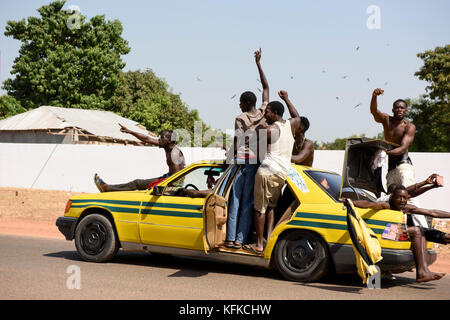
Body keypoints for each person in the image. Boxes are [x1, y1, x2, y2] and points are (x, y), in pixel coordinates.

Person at [349, 185, 449, 283]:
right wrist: (351, 202)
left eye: (405, 198)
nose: (402, 200)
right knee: (416, 231)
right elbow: (369, 204)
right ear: (392, 197)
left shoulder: (406, 208)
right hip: (383, 232)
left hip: (395, 232)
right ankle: (422, 272)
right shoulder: (386, 205)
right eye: (399, 197)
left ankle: (424, 271)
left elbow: (432, 212)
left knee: (420, 231)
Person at [243, 96, 302, 254]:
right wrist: (288, 99)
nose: (265, 115)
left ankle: (258, 244)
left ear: (275, 113)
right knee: (271, 207)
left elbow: (251, 143)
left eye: (267, 112)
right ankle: (268, 241)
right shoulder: (291, 125)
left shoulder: (270, 130)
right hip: (282, 173)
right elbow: (297, 116)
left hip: (267, 172)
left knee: (259, 209)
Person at [224, 48, 269, 249]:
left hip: (242, 163)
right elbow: (266, 87)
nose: (239, 104)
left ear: (246, 102)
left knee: (235, 200)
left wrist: (229, 158)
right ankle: (241, 239)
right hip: (256, 164)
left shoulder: (240, 119)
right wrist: (259, 64)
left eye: (241, 101)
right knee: (248, 204)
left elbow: (238, 141)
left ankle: (232, 239)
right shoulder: (263, 113)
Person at [370, 88, 426, 228]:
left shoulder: (409, 126)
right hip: (391, 167)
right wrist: (374, 96)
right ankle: (396, 231)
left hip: (403, 165)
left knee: (408, 198)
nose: (399, 109)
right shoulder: (386, 120)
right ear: (393, 109)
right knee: (392, 199)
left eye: (402, 108)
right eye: (397, 107)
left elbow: (402, 148)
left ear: (406, 111)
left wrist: (385, 153)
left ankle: (424, 230)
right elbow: (374, 112)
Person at [94, 125, 185, 192]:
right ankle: (107, 188)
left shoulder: (175, 153)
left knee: (137, 183)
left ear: (169, 140)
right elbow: (147, 139)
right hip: (168, 179)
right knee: (138, 184)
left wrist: (164, 189)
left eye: (161, 137)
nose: (158, 139)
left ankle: (107, 188)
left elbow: (177, 177)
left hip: (171, 182)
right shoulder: (168, 147)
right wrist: (130, 131)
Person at [278, 90, 314, 166]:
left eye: (295, 124)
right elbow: (296, 118)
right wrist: (286, 99)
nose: (291, 125)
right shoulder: (292, 141)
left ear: (301, 128)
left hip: (305, 175)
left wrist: (276, 155)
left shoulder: (308, 144)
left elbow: (298, 158)